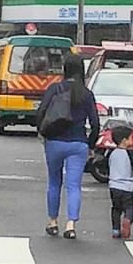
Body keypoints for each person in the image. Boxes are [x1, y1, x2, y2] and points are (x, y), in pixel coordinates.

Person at [36, 54, 100, 240]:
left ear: (65, 69)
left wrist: (42, 132)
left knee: (54, 182)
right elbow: (95, 123)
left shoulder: (55, 89)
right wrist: (90, 145)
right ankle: (70, 225)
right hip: (78, 143)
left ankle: (53, 221)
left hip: (54, 142)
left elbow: (41, 112)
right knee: (74, 186)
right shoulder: (86, 94)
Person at [108, 126, 133, 240]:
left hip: (114, 186)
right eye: (130, 138)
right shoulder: (130, 154)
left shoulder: (112, 153)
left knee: (116, 208)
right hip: (127, 187)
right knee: (129, 208)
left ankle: (115, 230)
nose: (132, 140)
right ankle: (127, 220)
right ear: (124, 141)